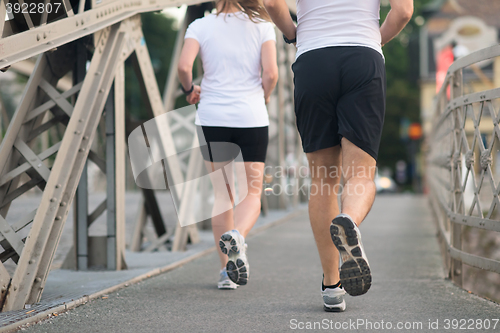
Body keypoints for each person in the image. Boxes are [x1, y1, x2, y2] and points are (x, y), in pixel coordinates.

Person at [263, 0, 413, 311]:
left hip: (313, 59)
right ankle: (350, 221)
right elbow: (403, 11)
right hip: (363, 56)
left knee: (323, 180)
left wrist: (293, 35)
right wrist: (375, 39)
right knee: (360, 173)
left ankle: (332, 286)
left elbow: (271, 3)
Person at [178, 0, 278, 289]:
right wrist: (265, 96)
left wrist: (189, 90)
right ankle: (238, 236)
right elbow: (271, 73)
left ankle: (225, 274)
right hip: (251, 116)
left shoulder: (200, 25)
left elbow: (185, 66)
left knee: (223, 195)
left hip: (213, 116)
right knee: (252, 192)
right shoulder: (262, 25)